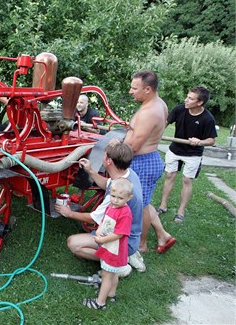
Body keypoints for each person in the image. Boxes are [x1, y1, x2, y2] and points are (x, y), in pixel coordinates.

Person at [56, 142, 145, 276]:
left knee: (73, 243)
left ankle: (119, 263)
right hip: (130, 235)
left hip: (122, 240)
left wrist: (69, 213)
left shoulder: (114, 198)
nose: (102, 158)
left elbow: (93, 218)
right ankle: (123, 256)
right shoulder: (127, 176)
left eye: (104, 156)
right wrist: (91, 171)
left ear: (109, 161)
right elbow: (106, 184)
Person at [123, 70, 176, 254]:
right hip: (149, 159)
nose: (131, 91)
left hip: (142, 162)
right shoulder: (158, 103)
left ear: (147, 89)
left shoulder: (150, 112)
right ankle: (163, 235)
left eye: (134, 88)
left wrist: (115, 149)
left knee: (141, 207)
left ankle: (141, 245)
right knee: (144, 201)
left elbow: (134, 146)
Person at [157, 86, 217, 222]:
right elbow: (165, 123)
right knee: (170, 175)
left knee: (186, 180)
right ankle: (162, 206)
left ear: (200, 102)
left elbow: (212, 140)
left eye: (190, 98)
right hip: (175, 149)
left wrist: (200, 141)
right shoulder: (179, 109)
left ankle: (180, 212)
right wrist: (157, 134)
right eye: (187, 96)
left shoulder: (208, 119)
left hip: (193, 154)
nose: (186, 100)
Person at [83, 177, 133, 310]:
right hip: (109, 247)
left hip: (115, 250)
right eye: (113, 196)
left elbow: (119, 233)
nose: (115, 200)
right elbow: (104, 220)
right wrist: (98, 230)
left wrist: (102, 240)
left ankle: (100, 302)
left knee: (106, 275)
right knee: (113, 273)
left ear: (129, 198)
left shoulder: (125, 213)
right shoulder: (112, 206)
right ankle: (111, 294)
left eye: (120, 198)